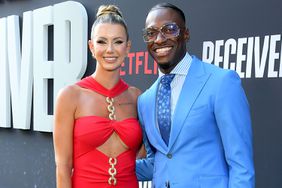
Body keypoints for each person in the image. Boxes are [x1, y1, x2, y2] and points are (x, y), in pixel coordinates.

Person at [136, 2, 255, 188]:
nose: (159, 39)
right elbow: (158, 162)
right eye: (151, 33)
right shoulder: (145, 100)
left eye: (169, 29)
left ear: (186, 34)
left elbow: (241, 166)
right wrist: (102, 166)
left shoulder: (221, 82)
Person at [53, 5, 143, 188]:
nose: (110, 49)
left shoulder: (136, 97)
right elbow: (63, 167)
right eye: (102, 42)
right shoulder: (70, 96)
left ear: (128, 48)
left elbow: (143, 154)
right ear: (91, 47)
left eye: (118, 42)